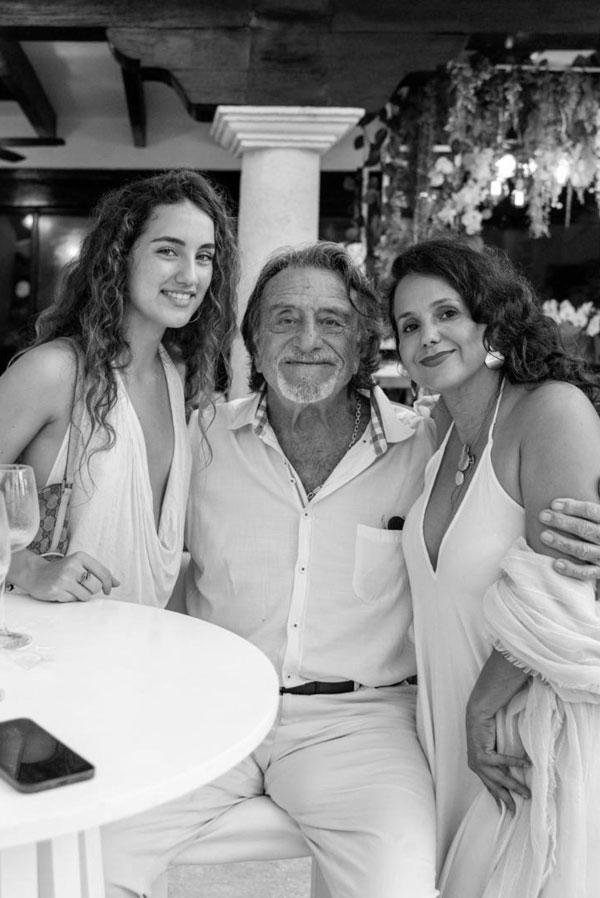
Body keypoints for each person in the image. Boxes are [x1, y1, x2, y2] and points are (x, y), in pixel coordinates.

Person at [103, 241, 600, 898]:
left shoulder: (424, 443)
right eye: (284, 319)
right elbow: (120, 526)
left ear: (365, 340)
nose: (308, 339)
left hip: (363, 725)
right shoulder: (202, 440)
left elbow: (554, 498)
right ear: (254, 341)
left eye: (332, 320)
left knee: (396, 886)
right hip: (217, 711)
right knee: (94, 853)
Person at [391, 237, 600, 897]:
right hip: (446, 725)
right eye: (409, 325)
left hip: (528, 728)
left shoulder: (551, 410)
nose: (427, 335)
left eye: (446, 313)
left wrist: (482, 709)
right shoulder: (438, 432)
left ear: (491, 319)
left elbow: (565, 586)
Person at [0, 169, 238, 607]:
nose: (190, 275)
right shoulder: (56, 371)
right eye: (168, 251)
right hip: (48, 644)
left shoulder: (176, 376)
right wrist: (27, 567)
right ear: (119, 256)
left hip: (139, 645)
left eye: (204, 256)